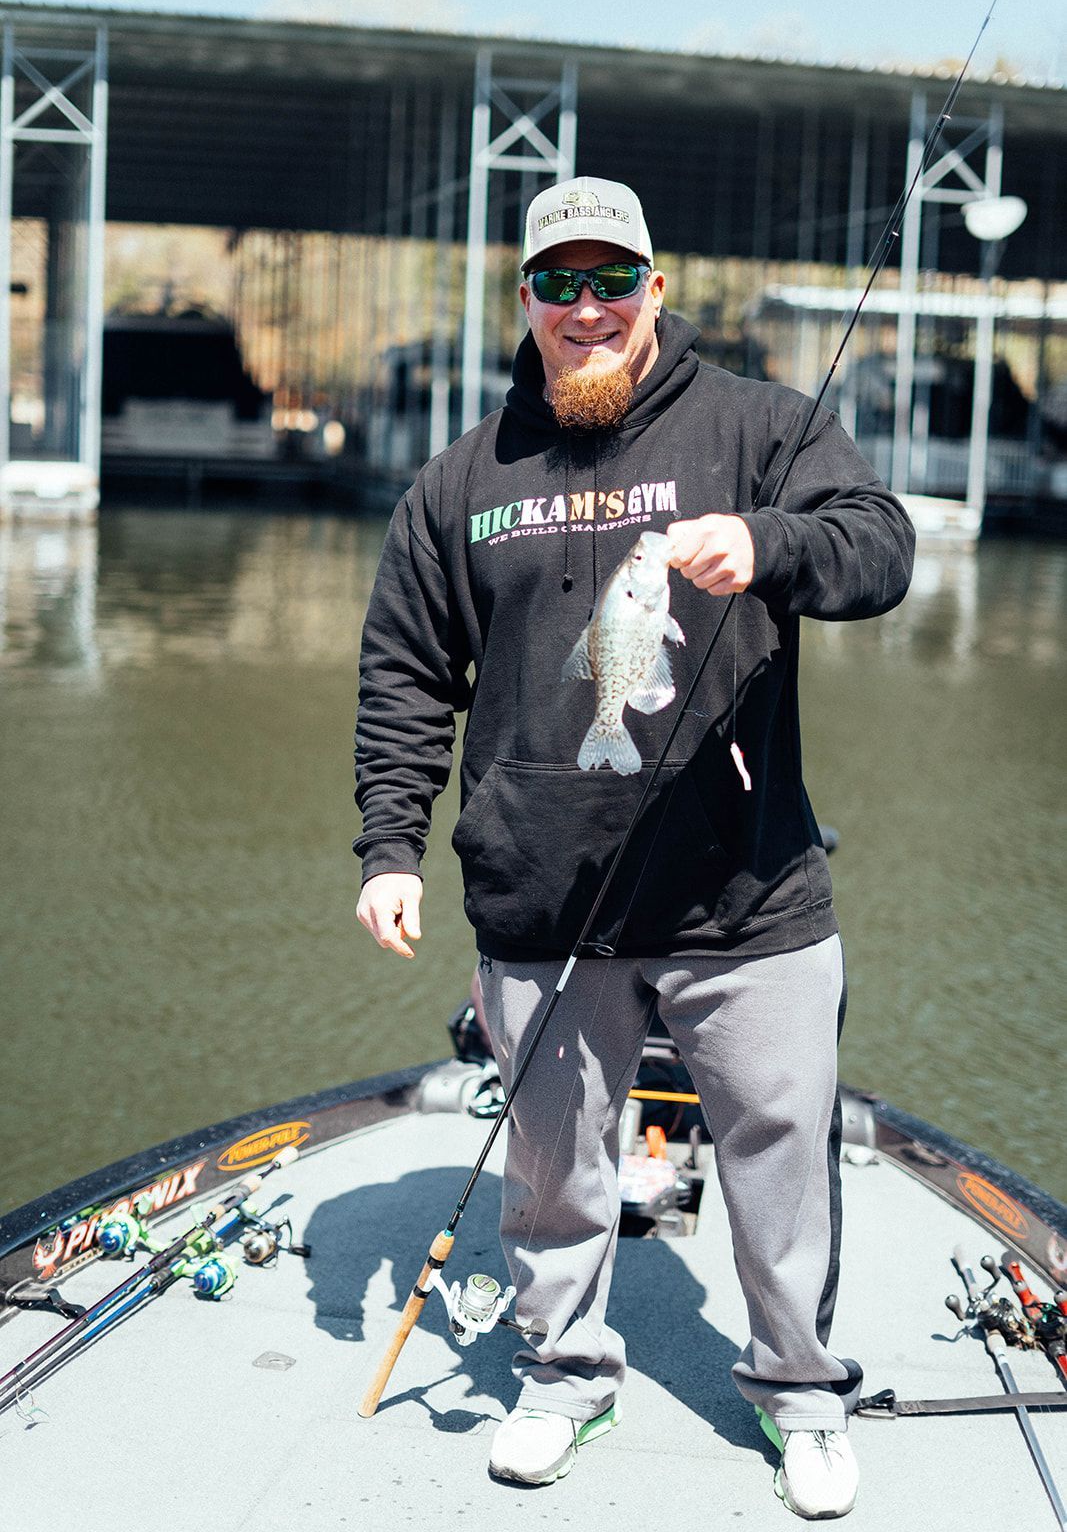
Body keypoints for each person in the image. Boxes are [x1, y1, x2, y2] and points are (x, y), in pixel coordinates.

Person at [354, 175, 914, 1519]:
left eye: (614, 281)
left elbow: (880, 549)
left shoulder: (759, 427)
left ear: (658, 289)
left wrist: (769, 541)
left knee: (781, 1148)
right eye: (559, 284)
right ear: (529, 300)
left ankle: (800, 1392)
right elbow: (403, 674)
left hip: (746, 888)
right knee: (554, 1166)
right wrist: (389, 845)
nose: (587, 308)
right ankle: (563, 1371)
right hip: (541, 896)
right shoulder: (462, 479)